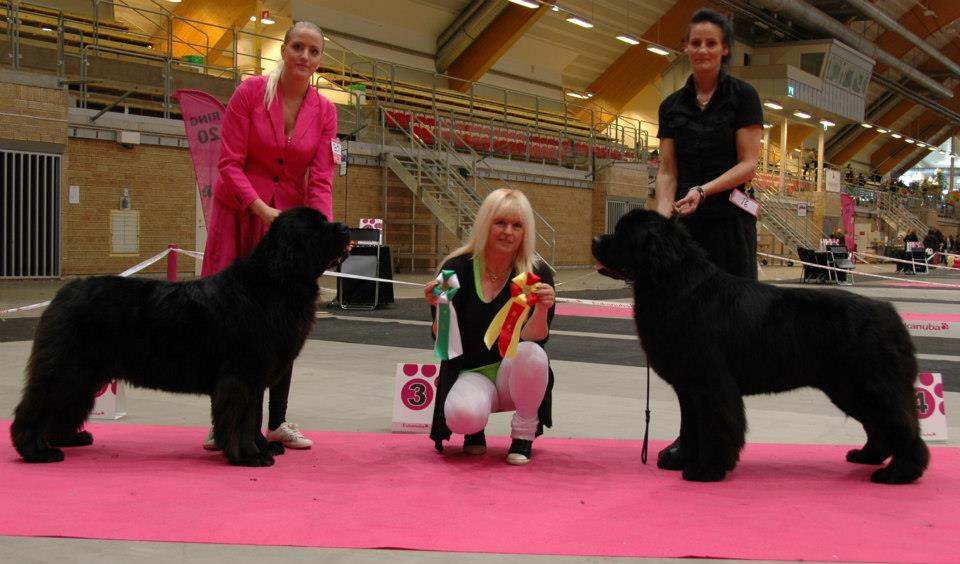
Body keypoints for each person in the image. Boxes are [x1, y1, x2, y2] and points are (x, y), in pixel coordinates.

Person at [200, 20, 338, 451]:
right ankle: (223, 423)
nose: (304, 56)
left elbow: (321, 179)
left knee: (284, 317)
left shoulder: (326, 111)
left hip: (287, 228)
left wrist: (321, 234)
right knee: (229, 319)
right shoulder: (250, 93)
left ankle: (277, 422)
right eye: (297, 47)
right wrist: (261, 209)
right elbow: (229, 163)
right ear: (283, 49)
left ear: (320, 59)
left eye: (313, 51)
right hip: (241, 214)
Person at [653, 8, 763, 469]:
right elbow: (667, 171)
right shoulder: (671, 106)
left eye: (711, 43)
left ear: (725, 50)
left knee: (728, 336)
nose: (702, 50)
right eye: (695, 43)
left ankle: (721, 437)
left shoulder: (743, 97)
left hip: (730, 226)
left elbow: (749, 163)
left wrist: (703, 190)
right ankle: (691, 435)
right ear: (686, 48)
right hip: (687, 233)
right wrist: (662, 220)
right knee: (687, 340)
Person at [424, 188, 556, 465]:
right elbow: (443, 341)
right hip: (472, 373)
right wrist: (438, 307)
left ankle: (523, 434)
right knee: (462, 416)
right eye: (500, 223)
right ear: (485, 224)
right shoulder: (454, 267)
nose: (508, 232)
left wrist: (543, 308)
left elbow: (537, 338)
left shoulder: (537, 272)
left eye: (517, 225)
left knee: (533, 354)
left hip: (514, 375)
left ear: (525, 231)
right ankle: (474, 430)